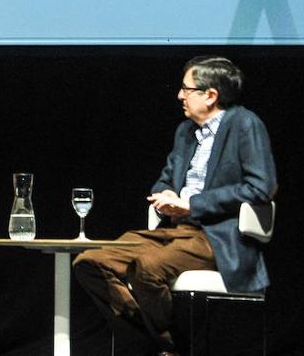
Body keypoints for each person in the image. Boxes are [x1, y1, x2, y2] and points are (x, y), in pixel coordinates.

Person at [73, 56, 277, 356]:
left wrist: (192, 205)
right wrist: (165, 197)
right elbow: (166, 180)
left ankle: (164, 347)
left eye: (187, 88)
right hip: (176, 232)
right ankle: (163, 345)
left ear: (210, 95)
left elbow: (261, 187)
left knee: (148, 269)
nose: (180, 95)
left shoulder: (245, 124)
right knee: (89, 263)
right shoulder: (185, 132)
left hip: (217, 237)